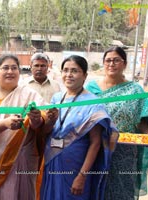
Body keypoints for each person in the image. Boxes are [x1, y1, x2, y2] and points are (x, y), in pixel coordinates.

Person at [0, 54, 55, 200]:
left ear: (20, 72)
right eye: (5, 68)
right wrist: (5, 124)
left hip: (25, 157)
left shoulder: (29, 94)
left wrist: (36, 120)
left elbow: (41, 124)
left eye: (14, 68)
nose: (10, 71)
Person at [41, 55, 119, 200]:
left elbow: (96, 143)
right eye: (65, 70)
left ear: (85, 75)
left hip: (76, 167)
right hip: (52, 162)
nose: (69, 75)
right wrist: (51, 121)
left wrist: (82, 176)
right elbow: (47, 131)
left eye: (75, 71)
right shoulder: (57, 98)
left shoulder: (93, 103)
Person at [85, 46, 148, 200]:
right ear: (103, 63)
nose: (112, 64)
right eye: (108, 60)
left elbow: (142, 117)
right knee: (95, 186)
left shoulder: (134, 90)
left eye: (116, 60)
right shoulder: (90, 89)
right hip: (95, 147)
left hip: (125, 150)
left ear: (124, 64)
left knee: (121, 190)